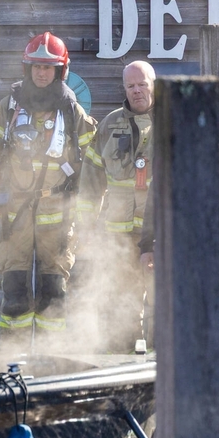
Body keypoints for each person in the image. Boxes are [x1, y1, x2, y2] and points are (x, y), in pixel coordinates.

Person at [0, 32, 97, 352]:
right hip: (17, 218)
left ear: (60, 71)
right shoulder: (7, 108)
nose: (42, 73)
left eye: (48, 67)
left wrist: (87, 218)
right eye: (37, 67)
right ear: (27, 69)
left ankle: (51, 362)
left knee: (54, 296)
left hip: (58, 218)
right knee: (14, 295)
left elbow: (93, 169)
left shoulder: (72, 113)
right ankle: (12, 363)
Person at [77, 60, 156, 353]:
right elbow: (90, 182)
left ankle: (161, 381)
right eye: (130, 86)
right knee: (120, 310)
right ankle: (122, 376)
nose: (137, 91)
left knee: (161, 310)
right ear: (124, 88)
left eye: (142, 84)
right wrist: (85, 230)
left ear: (154, 84)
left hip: (160, 240)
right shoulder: (109, 126)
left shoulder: (173, 122)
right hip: (118, 241)